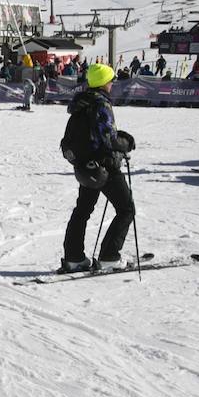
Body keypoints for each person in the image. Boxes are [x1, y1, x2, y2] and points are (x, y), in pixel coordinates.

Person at [59, 63, 136, 272]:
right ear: (104, 82)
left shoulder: (81, 103)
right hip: (104, 166)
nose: (112, 84)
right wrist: (127, 143)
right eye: (110, 80)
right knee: (126, 209)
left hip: (86, 167)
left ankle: (74, 258)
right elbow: (108, 138)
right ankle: (110, 256)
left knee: (82, 211)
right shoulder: (100, 103)